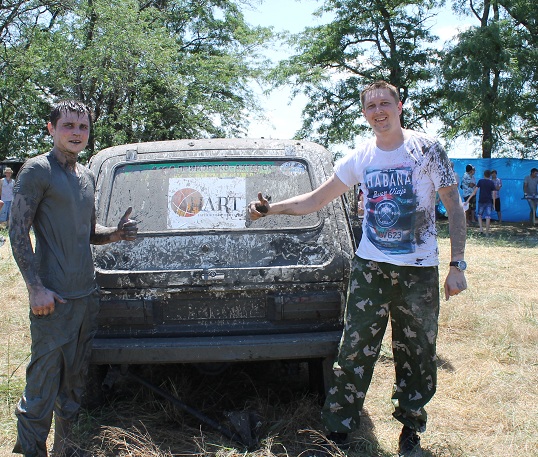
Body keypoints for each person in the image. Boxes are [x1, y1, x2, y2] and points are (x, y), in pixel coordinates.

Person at [248, 81, 467, 457]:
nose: (379, 111)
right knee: (353, 350)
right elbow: (315, 199)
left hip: (418, 271)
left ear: (399, 106)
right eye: (371, 106)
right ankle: (337, 432)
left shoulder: (427, 150)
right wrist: (272, 209)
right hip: (371, 269)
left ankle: (411, 430)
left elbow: (454, 206)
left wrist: (456, 265)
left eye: (385, 103)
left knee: (417, 353)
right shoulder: (361, 157)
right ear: (364, 113)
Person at [9, 100, 138, 457]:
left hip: (85, 297)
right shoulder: (38, 170)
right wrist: (35, 288)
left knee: (73, 385)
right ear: (51, 129)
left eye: (82, 127)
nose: (76, 133)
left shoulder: (87, 176)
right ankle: (31, 451)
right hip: (53, 299)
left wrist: (116, 233)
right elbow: (17, 231)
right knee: (42, 386)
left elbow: (89, 232)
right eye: (68, 125)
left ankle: (65, 449)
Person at [466, 170, 498, 235]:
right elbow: (494, 195)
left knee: (479, 215)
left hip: (481, 201)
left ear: (484, 175)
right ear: (490, 176)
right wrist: (494, 204)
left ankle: (481, 229)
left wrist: (467, 200)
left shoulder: (480, 181)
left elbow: (474, 192)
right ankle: (487, 232)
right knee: (488, 216)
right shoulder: (491, 183)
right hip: (489, 202)